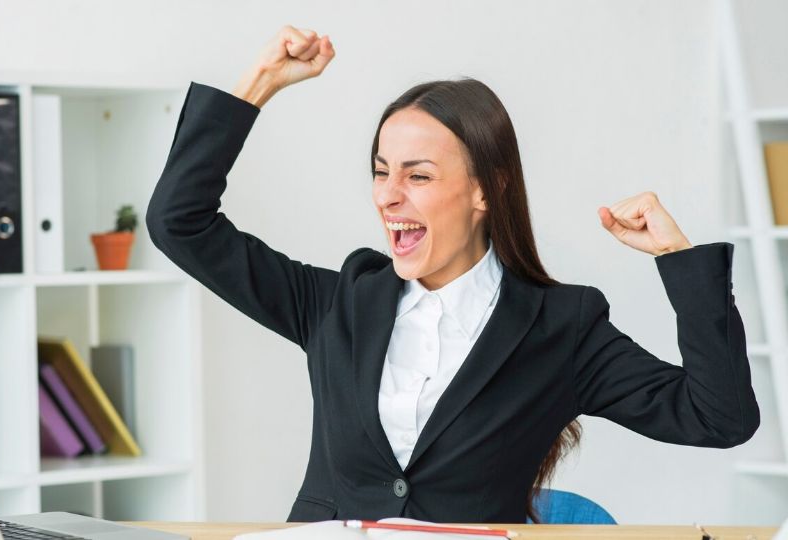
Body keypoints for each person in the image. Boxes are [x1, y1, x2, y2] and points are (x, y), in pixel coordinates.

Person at [146, 26, 760, 524]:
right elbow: (180, 223)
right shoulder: (338, 303)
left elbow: (720, 417)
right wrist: (259, 84)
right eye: (381, 171)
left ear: (485, 191)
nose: (388, 196)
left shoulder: (560, 328)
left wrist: (678, 259)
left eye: (417, 176)